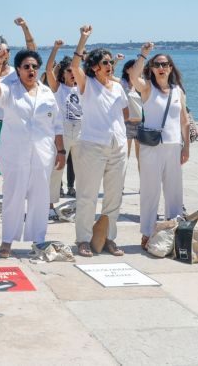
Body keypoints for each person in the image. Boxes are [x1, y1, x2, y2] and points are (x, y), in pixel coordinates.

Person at [0, 46, 65, 257]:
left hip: (42, 154)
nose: (31, 70)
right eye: (27, 66)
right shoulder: (10, 88)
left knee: (40, 199)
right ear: (19, 69)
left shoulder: (47, 92)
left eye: (35, 67)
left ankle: (39, 240)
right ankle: (7, 241)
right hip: (15, 154)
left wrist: (61, 150)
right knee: (13, 197)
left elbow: (56, 124)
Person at [70, 26, 129, 257]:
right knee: (87, 195)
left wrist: (122, 137)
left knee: (114, 196)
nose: (109, 65)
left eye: (110, 62)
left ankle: (108, 238)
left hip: (118, 146)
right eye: (105, 62)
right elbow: (75, 66)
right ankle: (83, 239)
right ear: (94, 67)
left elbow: (122, 114)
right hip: (92, 145)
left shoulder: (117, 87)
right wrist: (83, 39)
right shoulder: (87, 85)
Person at [128, 46, 191, 250]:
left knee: (174, 192)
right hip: (151, 146)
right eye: (157, 65)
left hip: (173, 146)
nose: (161, 68)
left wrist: (186, 147)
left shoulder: (177, 91)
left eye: (165, 64)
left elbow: (184, 121)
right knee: (150, 191)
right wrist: (144, 54)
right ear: (152, 69)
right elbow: (132, 75)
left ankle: (172, 230)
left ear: (171, 68)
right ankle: (147, 233)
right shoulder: (147, 88)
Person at [0, 18, 38, 223]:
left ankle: (17, 205)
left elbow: (32, 50)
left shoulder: (17, 73)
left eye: (7, 50)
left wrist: (24, 28)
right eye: (0, 51)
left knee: (18, 167)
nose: (4, 53)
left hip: (15, 123)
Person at [46, 42, 82, 215]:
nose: (73, 74)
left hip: (81, 131)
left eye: (74, 71)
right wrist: (55, 49)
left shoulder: (83, 88)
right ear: (62, 73)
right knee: (57, 169)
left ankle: (81, 206)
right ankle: (49, 205)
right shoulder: (58, 88)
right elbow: (47, 71)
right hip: (64, 131)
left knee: (83, 171)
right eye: (69, 71)